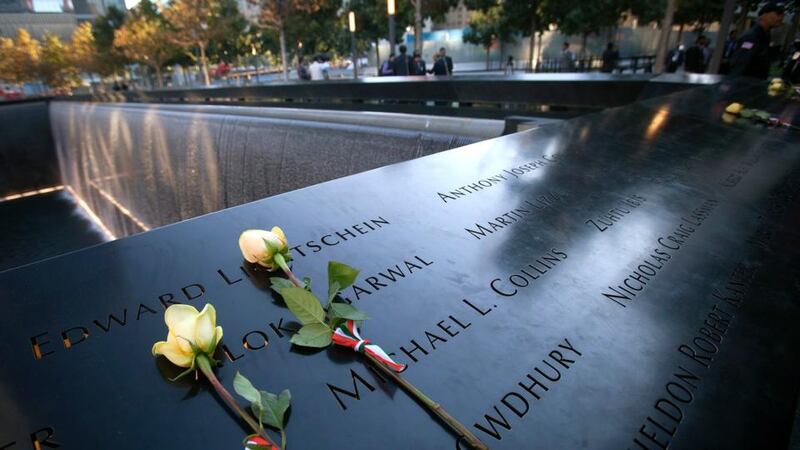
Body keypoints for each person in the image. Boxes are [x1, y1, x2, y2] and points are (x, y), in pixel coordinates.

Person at [730, 2, 785, 79]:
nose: (781, 18)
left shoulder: (765, 36)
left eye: (782, 15)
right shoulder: (751, 37)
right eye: (778, 14)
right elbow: (739, 65)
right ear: (764, 15)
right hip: (745, 83)